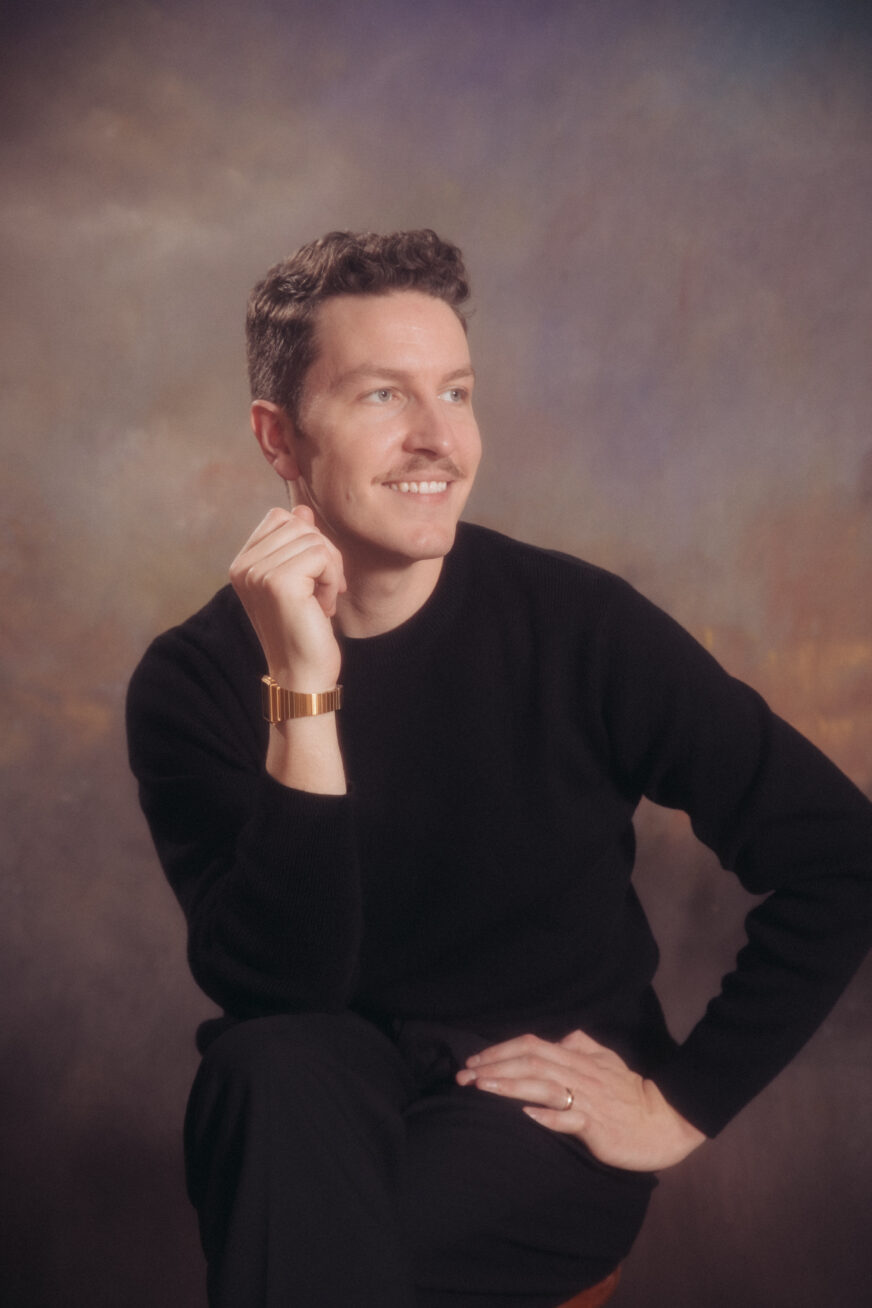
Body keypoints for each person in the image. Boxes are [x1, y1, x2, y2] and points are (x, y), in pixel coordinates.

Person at [126, 229, 872, 1308]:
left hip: (541, 1101)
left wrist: (680, 1105)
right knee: (263, 1067)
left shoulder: (578, 626)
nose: (438, 438)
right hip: (321, 1091)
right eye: (384, 396)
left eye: (458, 393)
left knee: (319, 1255)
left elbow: (839, 855)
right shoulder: (192, 683)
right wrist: (303, 686)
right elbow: (283, 991)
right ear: (278, 438)